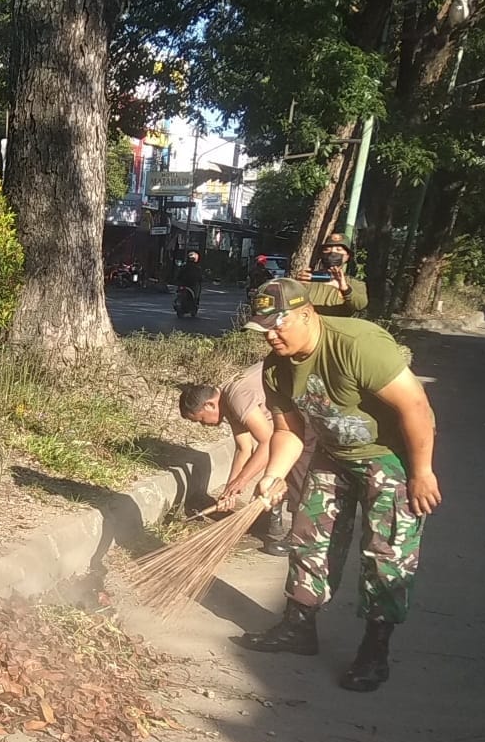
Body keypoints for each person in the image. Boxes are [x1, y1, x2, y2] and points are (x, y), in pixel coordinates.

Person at [234, 280, 442, 692]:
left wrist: (422, 471)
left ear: (308, 314)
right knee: (310, 536)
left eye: (279, 326)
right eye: (263, 330)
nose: (271, 337)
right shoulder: (278, 367)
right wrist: (272, 476)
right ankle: (298, 626)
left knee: (387, 550)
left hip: (390, 456)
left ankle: (375, 649)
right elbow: (289, 430)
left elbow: (415, 404)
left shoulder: (357, 343)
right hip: (334, 453)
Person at [178, 362, 314, 555]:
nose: (203, 425)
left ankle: (299, 537)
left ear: (209, 405)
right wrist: (229, 492)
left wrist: (242, 480)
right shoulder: (226, 399)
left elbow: (267, 443)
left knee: (296, 467)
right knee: (280, 465)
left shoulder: (235, 397)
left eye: (200, 419)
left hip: (306, 406)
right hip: (291, 412)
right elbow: (244, 448)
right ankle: (270, 521)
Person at [294, 232, 369, 315]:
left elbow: (360, 305)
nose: (332, 253)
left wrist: (345, 289)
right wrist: (296, 287)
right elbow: (292, 303)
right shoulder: (308, 278)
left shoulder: (355, 283)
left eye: (338, 250)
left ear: (347, 256)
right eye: (327, 249)